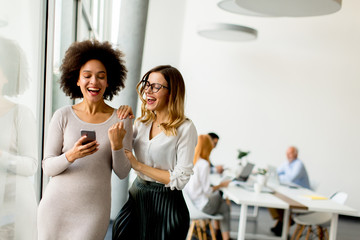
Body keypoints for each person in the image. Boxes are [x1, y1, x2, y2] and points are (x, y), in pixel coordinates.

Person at [37, 40, 132, 240]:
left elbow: (123, 173)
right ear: (77, 80)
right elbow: (48, 167)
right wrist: (71, 155)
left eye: (101, 76)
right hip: (55, 209)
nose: (94, 82)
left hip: (93, 212)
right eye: (87, 76)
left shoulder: (122, 119)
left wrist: (116, 145)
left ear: (109, 81)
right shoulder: (62, 115)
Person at [112, 65, 198, 240]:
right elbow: (122, 152)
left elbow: (180, 179)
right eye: (147, 84)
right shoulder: (141, 123)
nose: (148, 91)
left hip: (166, 205)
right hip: (137, 196)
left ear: (172, 93)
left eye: (156, 87)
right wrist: (125, 119)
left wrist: (138, 165)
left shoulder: (185, 128)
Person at [0, 36, 38, 239]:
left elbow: (31, 165)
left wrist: (2, 157)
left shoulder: (20, 114)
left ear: (6, 75)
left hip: (14, 210)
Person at [184, 135, 232, 240]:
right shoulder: (204, 164)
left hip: (191, 205)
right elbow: (207, 191)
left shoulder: (191, 161)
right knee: (223, 200)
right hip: (203, 206)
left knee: (224, 207)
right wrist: (221, 186)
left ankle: (220, 234)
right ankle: (224, 236)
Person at [269, 146, 310, 236]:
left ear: (296, 154)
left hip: (301, 194)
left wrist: (279, 177)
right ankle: (284, 220)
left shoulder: (299, 164)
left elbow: (290, 179)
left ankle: (285, 221)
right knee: (272, 197)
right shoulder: (287, 163)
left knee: (279, 199)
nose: (288, 155)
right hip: (291, 191)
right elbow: (277, 172)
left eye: (290, 153)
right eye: (287, 153)